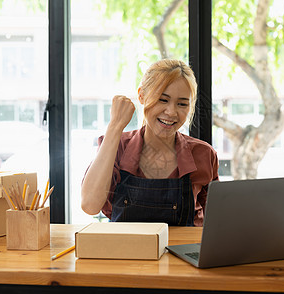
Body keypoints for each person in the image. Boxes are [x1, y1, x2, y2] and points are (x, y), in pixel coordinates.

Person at [81, 59, 218, 226]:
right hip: (124, 250)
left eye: (182, 104)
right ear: (141, 96)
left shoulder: (203, 154)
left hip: (182, 251)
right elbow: (89, 206)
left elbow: (217, 223)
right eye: (162, 99)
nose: (171, 112)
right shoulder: (117, 146)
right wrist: (115, 126)